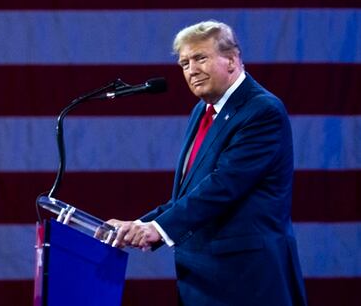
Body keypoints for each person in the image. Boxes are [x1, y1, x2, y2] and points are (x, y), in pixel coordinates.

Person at [108, 20, 307, 305]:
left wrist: (158, 229)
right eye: (184, 63)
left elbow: (223, 185)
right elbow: (190, 193)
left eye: (200, 58)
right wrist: (139, 225)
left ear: (232, 59)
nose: (191, 70)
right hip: (204, 280)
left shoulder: (262, 111)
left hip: (248, 279)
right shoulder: (202, 111)